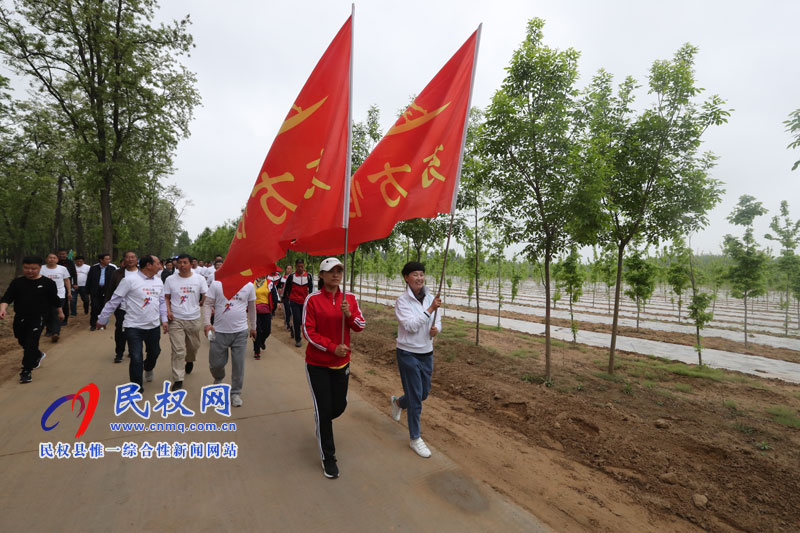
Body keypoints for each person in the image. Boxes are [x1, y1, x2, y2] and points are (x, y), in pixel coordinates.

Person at [303, 257, 366, 479]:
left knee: (337, 407)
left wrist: (349, 314)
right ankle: (328, 456)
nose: (336, 275)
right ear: (321, 275)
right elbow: (309, 332)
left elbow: (360, 326)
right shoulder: (312, 300)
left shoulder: (349, 298)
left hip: (341, 364)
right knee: (323, 409)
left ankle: (322, 419)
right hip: (318, 364)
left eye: (339, 271)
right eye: (330, 271)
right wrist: (331, 348)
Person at [390, 261, 442, 458]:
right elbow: (410, 326)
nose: (419, 278)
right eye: (415, 274)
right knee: (416, 399)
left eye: (421, 274)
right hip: (408, 353)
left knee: (423, 394)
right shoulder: (402, 301)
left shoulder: (431, 298)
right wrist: (429, 309)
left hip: (426, 352)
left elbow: (438, 320)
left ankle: (398, 403)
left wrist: (437, 329)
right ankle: (415, 438)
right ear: (406, 277)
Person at [97, 255, 168, 391]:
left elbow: (161, 302)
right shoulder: (129, 280)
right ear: (148, 265)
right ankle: (136, 388)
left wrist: (164, 320)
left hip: (153, 326)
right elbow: (115, 300)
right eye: (158, 263)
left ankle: (148, 367)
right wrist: (102, 318)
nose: (160, 266)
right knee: (136, 357)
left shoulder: (158, 281)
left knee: (155, 352)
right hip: (133, 326)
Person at [0, 256, 63, 383]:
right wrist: (3, 309)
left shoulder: (48, 283)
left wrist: (60, 312)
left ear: (40, 268)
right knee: (21, 339)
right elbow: (7, 298)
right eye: (27, 268)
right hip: (20, 317)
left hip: (39, 317)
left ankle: (26, 371)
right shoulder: (17, 283)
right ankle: (38, 354)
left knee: (31, 343)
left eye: (33, 268)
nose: (30, 271)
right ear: (23, 267)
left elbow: (55, 300)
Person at [203, 279, 256, 408]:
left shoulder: (248, 285)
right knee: (216, 364)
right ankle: (218, 377)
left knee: (238, 364)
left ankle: (235, 393)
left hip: (240, 332)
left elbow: (252, 306)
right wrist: (207, 323)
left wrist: (253, 326)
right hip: (219, 331)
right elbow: (207, 304)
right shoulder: (217, 284)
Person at [164, 253, 207, 391]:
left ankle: (190, 359)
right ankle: (178, 378)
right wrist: (168, 311)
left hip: (193, 318)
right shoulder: (170, 279)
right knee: (178, 350)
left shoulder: (199, 279)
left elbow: (205, 294)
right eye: (180, 263)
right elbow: (166, 297)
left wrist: (201, 302)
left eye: (185, 262)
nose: (182, 265)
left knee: (193, 346)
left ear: (191, 264)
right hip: (176, 318)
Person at [105, 251, 139, 363]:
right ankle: (119, 353)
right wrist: (108, 307)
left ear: (137, 259)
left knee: (135, 330)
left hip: (138, 307)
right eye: (128, 257)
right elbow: (110, 290)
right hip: (121, 307)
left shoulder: (142, 273)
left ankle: (132, 350)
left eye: (133, 257)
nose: (130, 259)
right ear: (124, 260)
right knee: (120, 330)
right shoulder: (117, 273)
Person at [41, 253, 72, 342]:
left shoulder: (62, 269)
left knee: (56, 312)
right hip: (44, 295)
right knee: (47, 313)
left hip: (60, 294)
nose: (52, 259)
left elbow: (66, 280)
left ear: (57, 260)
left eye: (54, 258)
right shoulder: (41, 268)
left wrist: (69, 292)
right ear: (46, 259)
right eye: (50, 257)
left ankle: (56, 333)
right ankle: (49, 330)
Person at [284, 259, 313, 347]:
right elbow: (286, 289)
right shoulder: (291, 277)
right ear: (296, 267)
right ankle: (298, 339)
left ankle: (293, 328)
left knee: (301, 321)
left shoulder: (308, 276)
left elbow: (311, 288)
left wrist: (311, 299)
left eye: (302, 266)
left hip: (304, 302)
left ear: (304, 266)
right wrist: (284, 298)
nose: (300, 268)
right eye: (298, 267)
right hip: (294, 301)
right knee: (296, 319)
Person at [86, 253, 117, 330]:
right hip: (96, 290)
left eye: (109, 259)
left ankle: (102, 323)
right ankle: (93, 324)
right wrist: (87, 290)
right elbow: (89, 280)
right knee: (94, 307)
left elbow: (114, 281)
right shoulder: (93, 268)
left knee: (104, 307)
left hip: (107, 291)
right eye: (107, 259)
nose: (108, 260)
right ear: (101, 260)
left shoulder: (112, 269)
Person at [253, 274, 280, 359]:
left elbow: (274, 295)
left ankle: (261, 341)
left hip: (266, 310)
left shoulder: (269, 283)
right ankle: (257, 351)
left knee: (267, 330)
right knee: (257, 330)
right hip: (254, 310)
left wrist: (277, 303)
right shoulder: (251, 283)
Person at [57, 248, 78, 324]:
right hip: (56, 284)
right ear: (58, 254)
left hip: (66, 285)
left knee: (65, 302)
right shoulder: (56, 262)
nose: (62, 255)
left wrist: (75, 283)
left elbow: (74, 274)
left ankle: (65, 319)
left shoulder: (70, 262)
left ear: (66, 254)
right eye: (60, 254)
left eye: (64, 254)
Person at [278, 265, 293, 331]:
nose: (289, 270)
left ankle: (291, 323)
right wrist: (280, 296)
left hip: (292, 297)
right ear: (286, 269)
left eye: (290, 269)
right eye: (288, 268)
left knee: (291, 311)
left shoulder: (293, 278)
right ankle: (287, 324)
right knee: (287, 310)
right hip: (285, 297)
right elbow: (279, 287)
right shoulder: (282, 278)